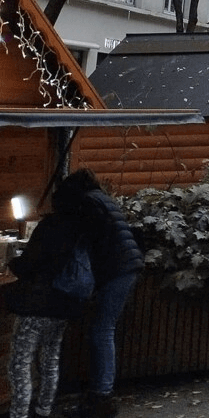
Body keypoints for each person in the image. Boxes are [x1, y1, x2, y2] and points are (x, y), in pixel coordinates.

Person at [56, 168, 144, 418]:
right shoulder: (101, 198)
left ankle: (102, 398)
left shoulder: (88, 202)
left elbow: (87, 237)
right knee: (103, 329)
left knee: (102, 330)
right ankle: (100, 396)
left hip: (117, 268)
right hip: (127, 265)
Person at [6, 179, 92, 418]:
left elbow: (30, 263)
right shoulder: (81, 226)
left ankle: (19, 414)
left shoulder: (51, 226)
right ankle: (44, 409)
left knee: (20, 364)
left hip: (38, 303)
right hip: (65, 303)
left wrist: (12, 263)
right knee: (50, 359)